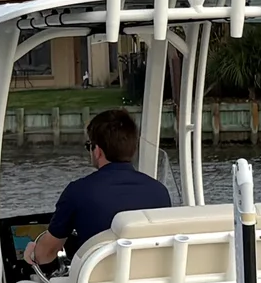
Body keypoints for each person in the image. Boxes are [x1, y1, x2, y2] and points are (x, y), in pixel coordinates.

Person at [24, 107, 171, 271]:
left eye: (89, 146)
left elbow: (47, 254)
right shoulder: (160, 192)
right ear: (133, 148)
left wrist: (32, 253)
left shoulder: (78, 192)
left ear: (98, 150)